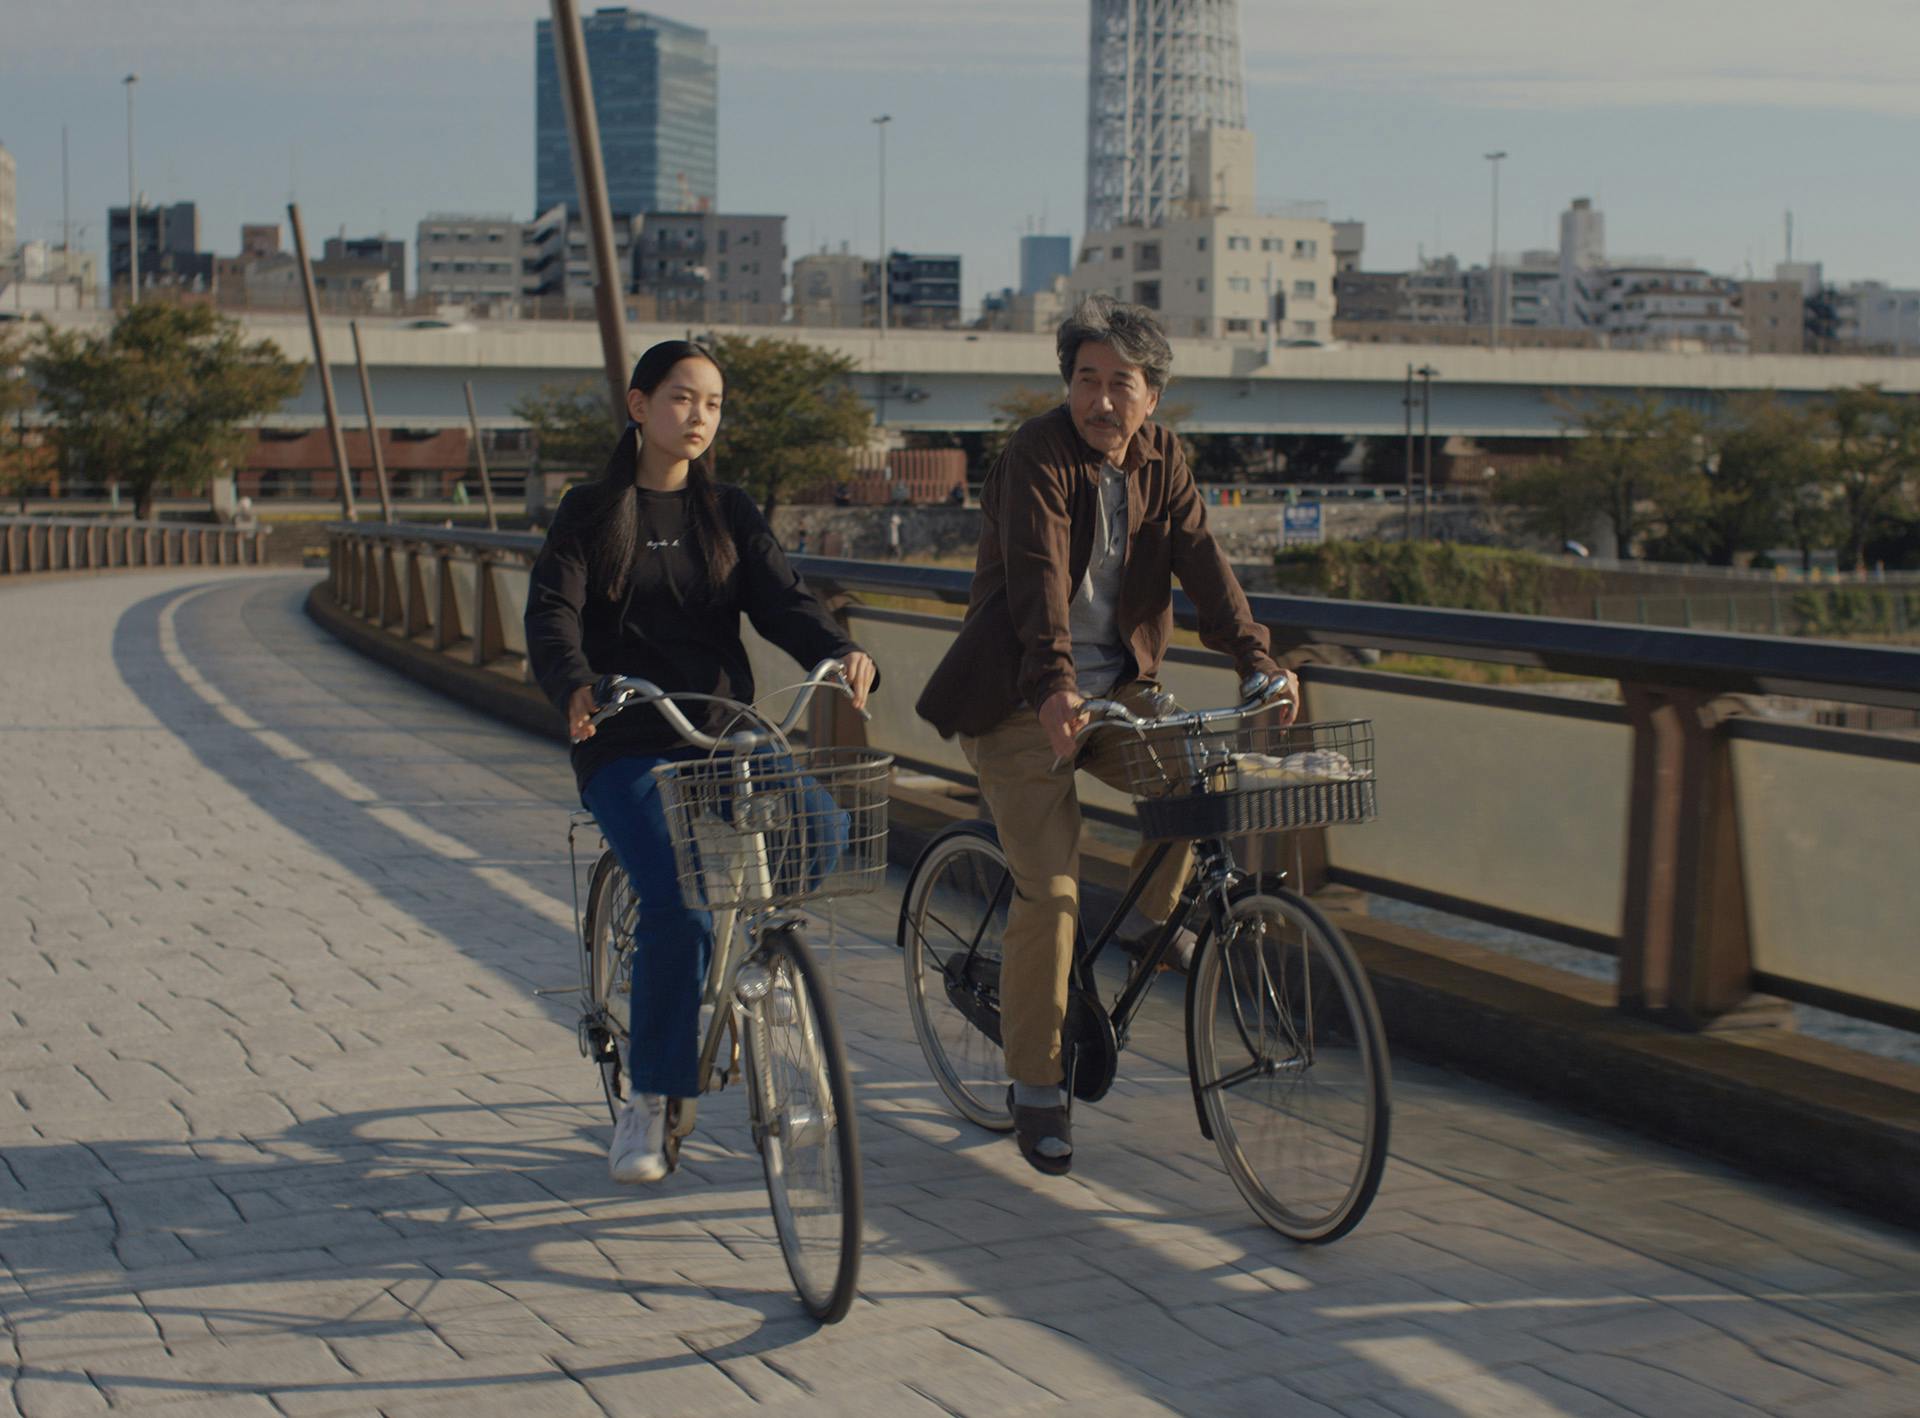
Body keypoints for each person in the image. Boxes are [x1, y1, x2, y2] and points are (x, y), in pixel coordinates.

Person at [915, 295, 1295, 1177]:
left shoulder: (1164, 460)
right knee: (1050, 890)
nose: (1100, 400)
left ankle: (1147, 929)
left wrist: (1256, 657)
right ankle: (1038, 1087)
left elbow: (1202, 560)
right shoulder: (1035, 454)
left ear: (1151, 397)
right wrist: (1052, 687)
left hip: (1119, 691)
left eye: (1121, 384)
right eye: (1086, 380)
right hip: (1019, 699)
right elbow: (1041, 579)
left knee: (1200, 778)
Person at [525, 340, 878, 1185]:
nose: (698, 417)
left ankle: (757, 963)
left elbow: (784, 601)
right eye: (683, 399)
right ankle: (651, 1101)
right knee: (675, 907)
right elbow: (552, 611)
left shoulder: (730, 512)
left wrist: (839, 650)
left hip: (725, 732)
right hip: (627, 738)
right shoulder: (588, 510)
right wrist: (573, 683)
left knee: (826, 835)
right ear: (641, 406)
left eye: (713, 404)